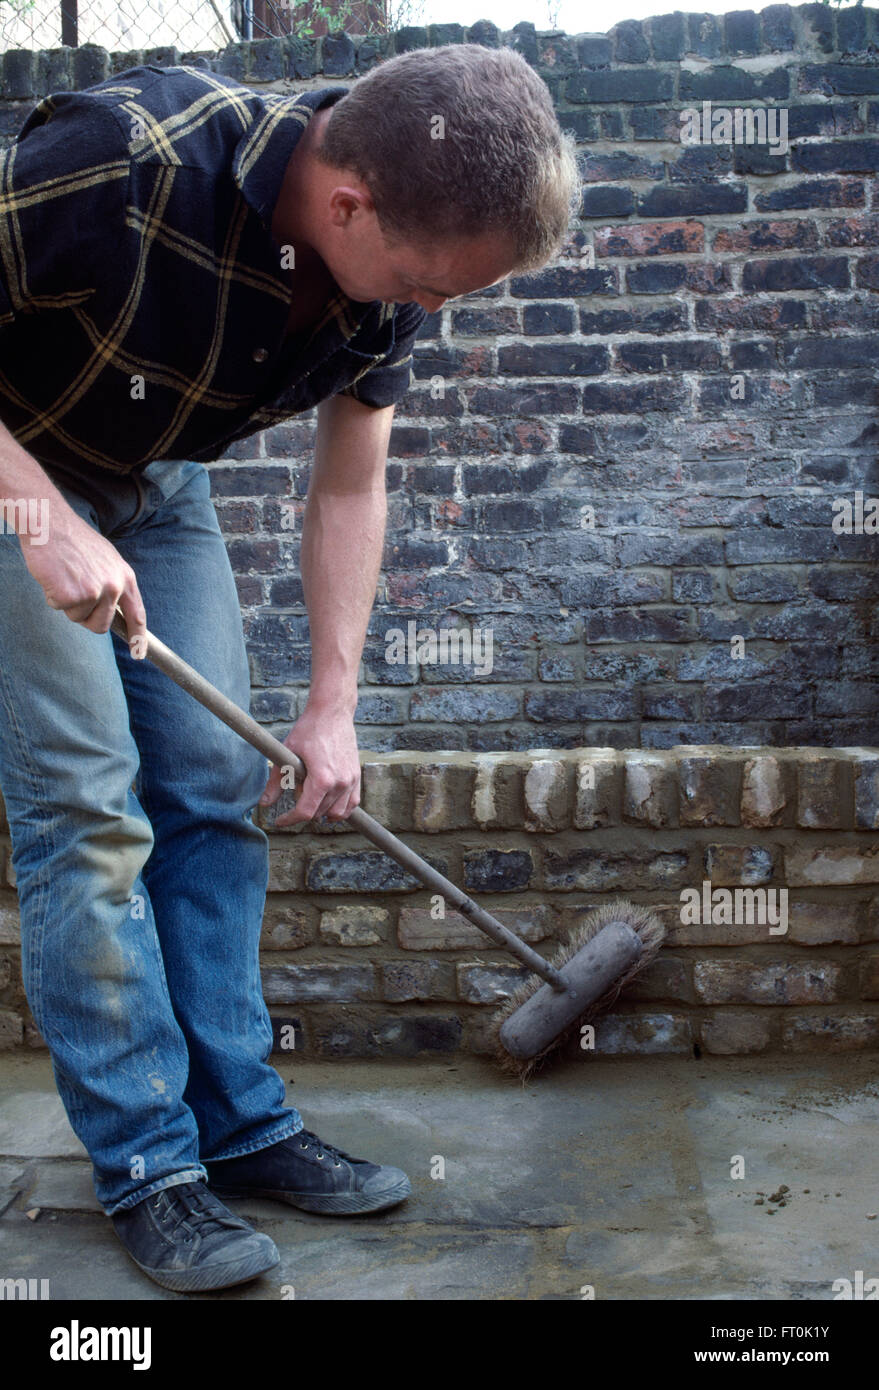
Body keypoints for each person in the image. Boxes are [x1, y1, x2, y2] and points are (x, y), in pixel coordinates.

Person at [0, 42, 578, 1292]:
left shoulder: (390, 268)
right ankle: (151, 1168)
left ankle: (241, 1124)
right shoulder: (124, 160)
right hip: (17, 473)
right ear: (348, 205)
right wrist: (40, 518)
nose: (437, 311)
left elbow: (350, 479)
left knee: (214, 784)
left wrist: (332, 705)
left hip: (155, 479)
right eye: (437, 286)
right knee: (91, 816)